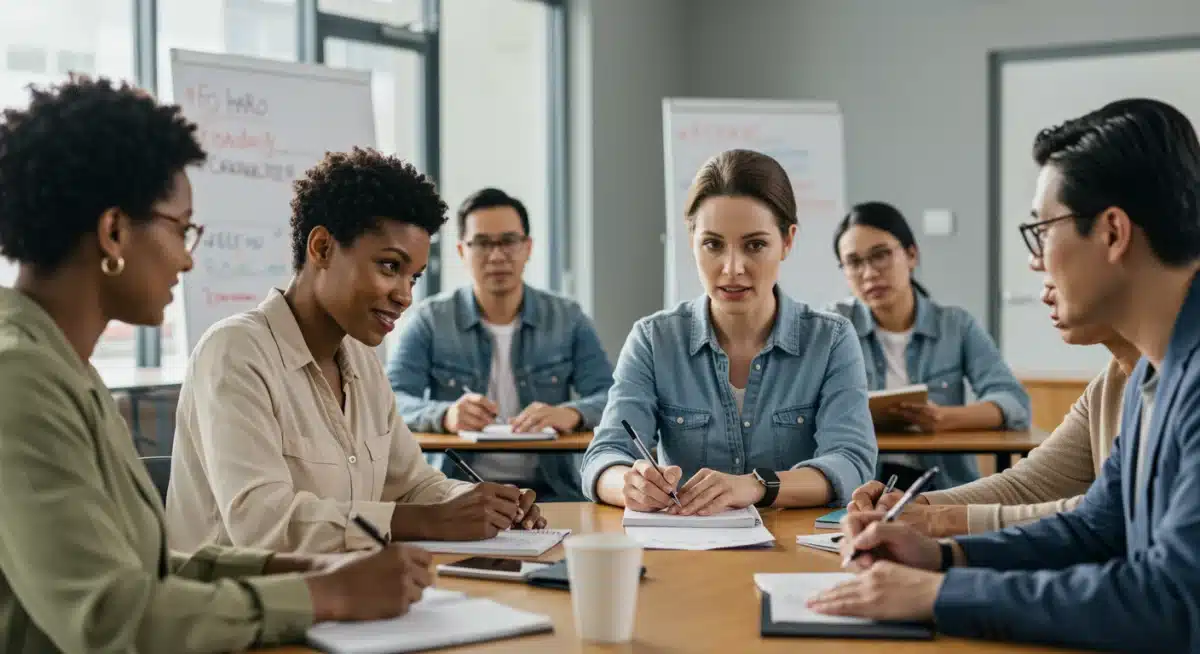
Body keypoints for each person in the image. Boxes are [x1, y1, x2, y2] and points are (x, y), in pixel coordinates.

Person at [0, 76, 436, 653]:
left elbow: (151, 571)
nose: (186, 259)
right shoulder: (20, 379)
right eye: (182, 229)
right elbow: (111, 616)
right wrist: (323, 596)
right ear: (113, 232)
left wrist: (310, 575)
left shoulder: (63, 368)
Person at [809, 98, 1200, 651]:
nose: (1036, 260)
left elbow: (1171, 601)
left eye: (1043, 231)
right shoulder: (1145, 376)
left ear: (1112, 232)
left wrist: (938, 596)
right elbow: (1097, 528)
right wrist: (945, 557)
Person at [167, 151, 545, 555]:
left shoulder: (362, 361)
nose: (404, 296)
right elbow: (261, 522)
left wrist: (485, 505)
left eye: (413, 276)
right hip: (243, 608)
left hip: (346, 596)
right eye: (389, 266)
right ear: (323, 248)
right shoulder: (235, 353)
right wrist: (427, 519)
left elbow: (412, 484)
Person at [581, 149, 876, 515]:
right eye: (713, 244)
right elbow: (604, 455)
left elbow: (851, 463)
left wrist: (756, 486)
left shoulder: (831, 339)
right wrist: (629, 483)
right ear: (691, 242)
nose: (732, 268)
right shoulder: (653, 339)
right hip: (685, 549)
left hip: (794, 553)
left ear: (787, 241)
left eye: (755, 245)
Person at [846, 276, 1138, 536]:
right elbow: (1029, 486)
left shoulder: (1175, 387)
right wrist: (915, 504)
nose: (1044, 293)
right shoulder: (1108, 383)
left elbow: (1116, 513)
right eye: (853, 262)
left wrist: (939, 519)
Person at [389, 187, 613, 502]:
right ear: (461, 251)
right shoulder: (431, 320)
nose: (496, 256)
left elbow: (612, 397)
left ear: (528, 247)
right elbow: (390, 400)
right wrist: (445, 416)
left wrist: (572, 414)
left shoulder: (567, 317)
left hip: (551, 491)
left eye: (508, 241)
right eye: (482, 243)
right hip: (456, 491)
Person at [827, 202, 1031, 491]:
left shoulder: (955, 325)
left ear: (911, 255)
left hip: (942, 485)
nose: (869, 273)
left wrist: (947, 419)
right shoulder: (833, 326)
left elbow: (1015, 403)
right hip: (861, 486)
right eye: (854, 262)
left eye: (880, 255)